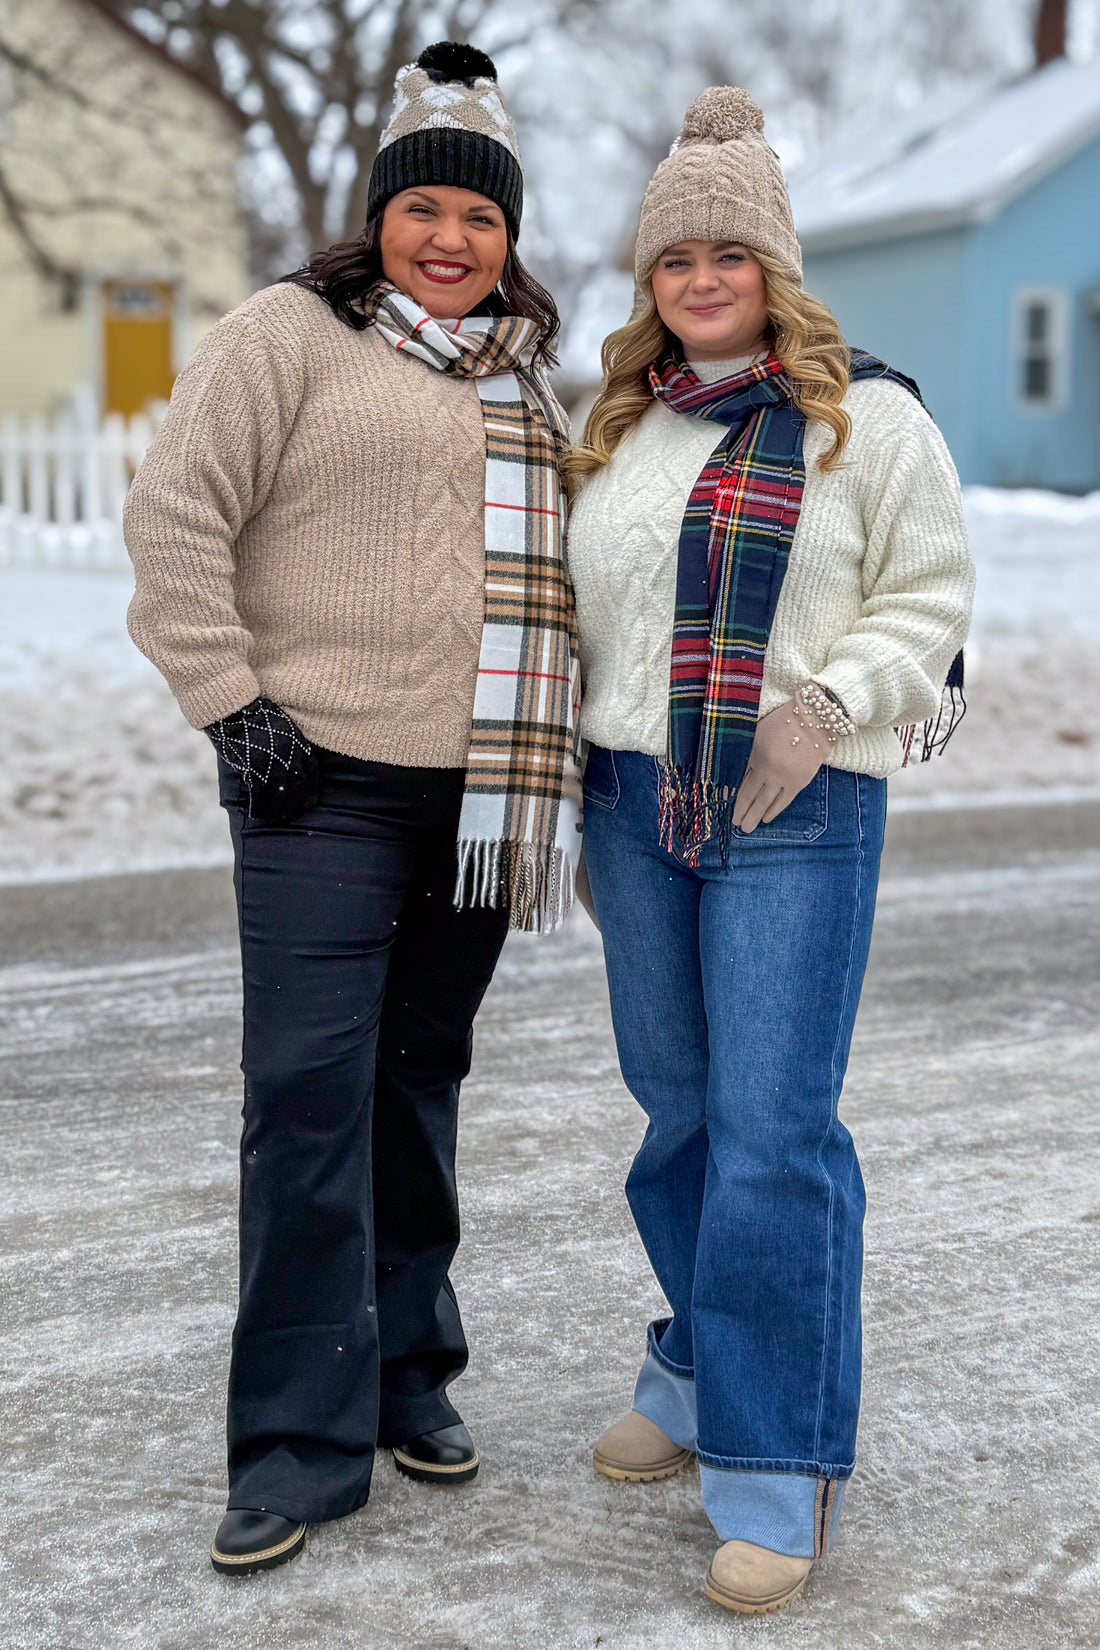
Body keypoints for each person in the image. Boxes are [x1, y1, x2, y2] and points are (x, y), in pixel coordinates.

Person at [124, 41, 579, 1576]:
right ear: (378, 214)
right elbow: (177, 512)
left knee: (415, 1082)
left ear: (512, 240)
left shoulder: (526, 377)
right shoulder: (288, 337)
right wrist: (231, 700)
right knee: (306, 1093)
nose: (452, 240)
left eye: (483, 219)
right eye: (426, 208)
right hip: (313, 775)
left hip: (477, 788)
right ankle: (292, 1445)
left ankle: (407, 1375)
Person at [566, 87, 974, 1615]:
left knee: (771, 1133)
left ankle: (770, 1447)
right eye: (679, 255)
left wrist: (823, 705)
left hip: (797, 803)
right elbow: (584, 619)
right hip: (639, 803)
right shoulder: (619, 428)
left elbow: (926, 594)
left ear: (777, 267)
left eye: (733, 250)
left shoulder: (868, 418)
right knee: (676, 1112)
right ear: (653, 280)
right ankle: (698, 1353)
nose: (705, 275)